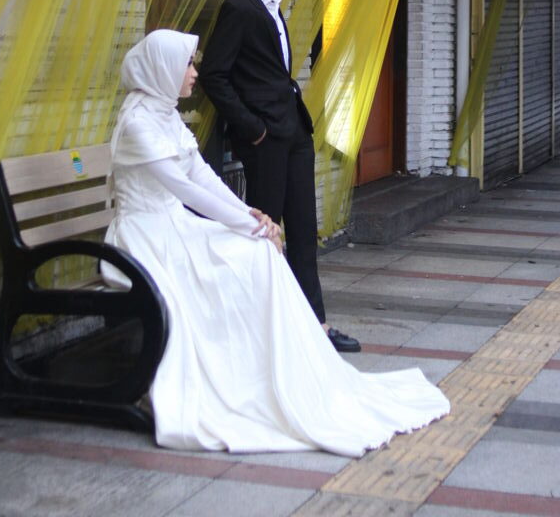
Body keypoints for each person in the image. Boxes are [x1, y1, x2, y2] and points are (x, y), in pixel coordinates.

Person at [102, 28, 449, 456]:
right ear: (162, 69)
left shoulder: (166, 114)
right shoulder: (138, 123)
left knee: (259, 249)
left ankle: (275, 371)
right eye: (188, 64)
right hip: (145, 237)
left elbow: (202, 176)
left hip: (176, 227)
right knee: (250, 249)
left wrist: (252, 215)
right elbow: (184, 189)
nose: (194, 73)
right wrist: (250, 224)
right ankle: (246, 375)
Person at [199, 0, 358, 351]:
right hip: (266, 138)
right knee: (266, 233)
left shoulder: (273, 5)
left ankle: (316, 327)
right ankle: (261, 329)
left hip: (295, 131)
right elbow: (214, 75)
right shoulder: (238, 9)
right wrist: (252, 128)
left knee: (304, 232)